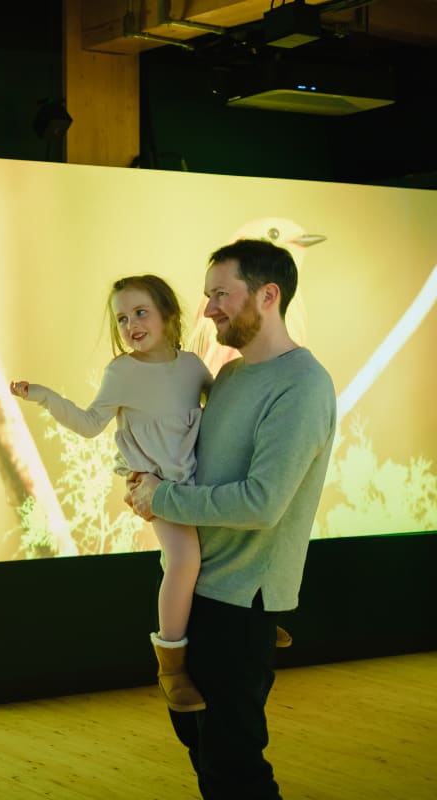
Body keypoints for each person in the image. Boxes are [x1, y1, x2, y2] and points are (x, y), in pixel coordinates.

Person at [127, 238, 337, 800]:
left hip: (243, 603)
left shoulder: (303, 385)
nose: (208, 308)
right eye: (207, 295)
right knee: (197, 741)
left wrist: (160, 497)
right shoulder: (231, 377)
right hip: (200, 589)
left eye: (222, 293)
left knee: (232, 764)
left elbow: (262, 503)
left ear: (268, 296)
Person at [10, 274, 213, 713]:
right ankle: (172, 666)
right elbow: (89, 424)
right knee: (183, 560)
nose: (131, 325)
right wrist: (44, 396)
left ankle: (237, 624)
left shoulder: (193, 366)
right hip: (155, 485)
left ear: (169, 315)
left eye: (140, 312)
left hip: (195, 480)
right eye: (122, 318)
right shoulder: (122, 372)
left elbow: (218, 414)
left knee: (214, 550)